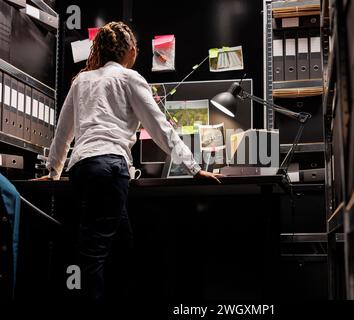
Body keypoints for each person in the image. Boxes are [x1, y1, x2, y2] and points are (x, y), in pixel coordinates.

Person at [36, 21, 222, 300]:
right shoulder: (129, 78)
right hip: (110, 167)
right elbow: (160, 128)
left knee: (122, 245)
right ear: (131, 52)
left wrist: (53, 171)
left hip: (82, 168)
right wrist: (194, 168)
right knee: (95, 254)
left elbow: (64, 131)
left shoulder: (82, 80)